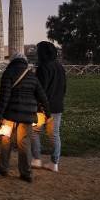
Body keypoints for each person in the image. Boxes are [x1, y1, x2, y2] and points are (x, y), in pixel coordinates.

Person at [0, 53, 50, 183]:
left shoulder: (8, 73)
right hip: (27, 116)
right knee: (24, 144)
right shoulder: (31, 76)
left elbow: (4, 96)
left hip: (9, 115)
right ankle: (26, 173)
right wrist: (48, 113)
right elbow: (42, 96)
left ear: (12, 61)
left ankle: (3, 168)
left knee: (5, 141)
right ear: (24, 62)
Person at [31, 41, 67, 173]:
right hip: (57, 106)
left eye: (37, 50)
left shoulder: (43, 67)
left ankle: (36, 159)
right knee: (54, 135)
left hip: (42, 107)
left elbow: (40, 89)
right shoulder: (60, 67)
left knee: (35, 132)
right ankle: (54, 162)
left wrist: (36, 103)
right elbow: (64, 88)